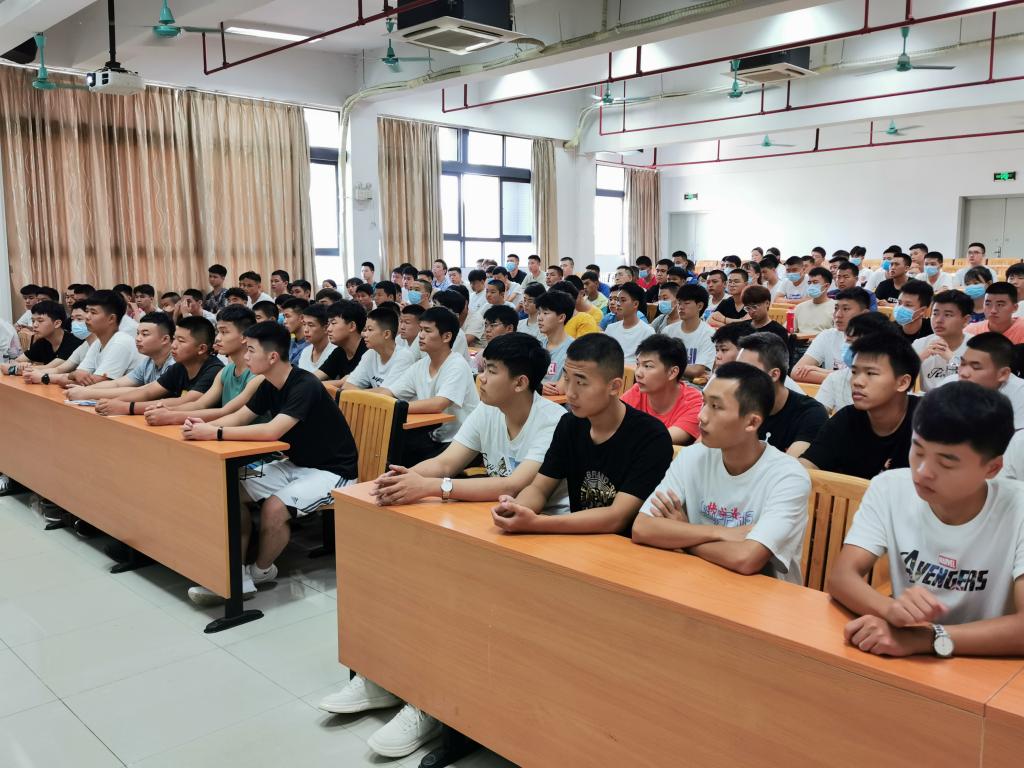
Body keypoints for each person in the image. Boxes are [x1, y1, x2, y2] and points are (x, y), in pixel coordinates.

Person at [826, 382, 1024, 658]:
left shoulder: (1017, 508)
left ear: (992, 468)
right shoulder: (890, 488)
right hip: (905, 656)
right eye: (917, 450)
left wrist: (927, 638)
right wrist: (890, 610)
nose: (922, 471)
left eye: (946, 463)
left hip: (990, 665)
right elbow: (841, 577)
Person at [183, 321, 359, 603]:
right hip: (295, 464)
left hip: (333, 471)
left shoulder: (305, 384)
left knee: (274, 509)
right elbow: (239, 417)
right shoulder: (269, 384)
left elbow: (271, 431)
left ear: (273, 356)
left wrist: (214, 433)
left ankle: (260, 571)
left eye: (251, 350)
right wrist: (201, 427)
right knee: (229, 489)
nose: (246, 356)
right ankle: (234, 573)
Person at [632, 361, 811, 583]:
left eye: (716, 407)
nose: (702, 416)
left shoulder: (788, 477)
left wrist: (682, 533)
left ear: (752, 422)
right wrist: (718, 532)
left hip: (762, 595)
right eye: (704, 402)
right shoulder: (692, 457)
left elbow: (746, 559)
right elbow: (643, 527)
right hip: (694, 581)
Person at [491, 333, 673, 537]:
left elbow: (617, 517)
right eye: (567, 379)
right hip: (575, 538)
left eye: (581, 383)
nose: (570, 393)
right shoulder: (570, 424)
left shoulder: (651, 437)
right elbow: (540, 488)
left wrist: (537, 523)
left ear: (614, 386)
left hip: (626, 546)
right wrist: (517, 508)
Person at [800, 332, 921, 479]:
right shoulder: (847, 418)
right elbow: (807, 466)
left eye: (871, 373)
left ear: (902, 383)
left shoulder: (929, 422)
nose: (857, 381)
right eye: (854, 372)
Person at [378, 307, 479, 466]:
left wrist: (397, 407)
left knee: (402, 460)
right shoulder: (421, 365)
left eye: (427, 330)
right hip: (434, 436)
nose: (421, 335)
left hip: (462, 441)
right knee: (389, 452)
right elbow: (390, 392)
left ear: (446, 337)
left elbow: (439, 403)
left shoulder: (457, 365)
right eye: (420, 330)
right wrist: (365, 399)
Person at [144, 306, 262, 425]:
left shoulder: (258, 375)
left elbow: (226, 412)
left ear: (244, 337)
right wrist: (168, 410)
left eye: (224, 332)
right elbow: (201, 404)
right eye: (218, 332)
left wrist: (171, 416)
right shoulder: (225, 371)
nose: (217, 338)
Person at [93, 316, 223, 415]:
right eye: (174, 339)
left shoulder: (214, 369)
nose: (173, 345)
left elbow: (186, 401)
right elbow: (148, 392)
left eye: (181, 341)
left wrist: (127, 407)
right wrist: (115, 402)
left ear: (201, 349)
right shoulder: (180, 366)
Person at [736, 333, 827, 456]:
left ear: (774, 375)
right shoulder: (734, 405)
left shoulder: (810, 414)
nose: (737, 378)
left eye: (747, 371)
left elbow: (792, 464)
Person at [64, 312, 176, 401]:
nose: (138, 338)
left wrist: (88, 393)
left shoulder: (174, 365)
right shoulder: (148, 362)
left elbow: (144, 391)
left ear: (165, 339)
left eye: (145, 334)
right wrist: (84, 389)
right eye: (138, 333)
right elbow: (117, 383)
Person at [42, 290, 140, 387]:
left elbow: (100, 384)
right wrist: (74, 374)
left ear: (111, 318)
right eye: (87, 311)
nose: (87, 317)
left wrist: (73, 377)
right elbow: (76, 375)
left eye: (93, 312)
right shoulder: (98, 343)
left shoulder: (120, 342)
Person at [621, 335, 702, 446]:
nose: (638, 373)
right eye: (638, 364)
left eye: (648, 366)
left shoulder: (694, 402)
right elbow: (611, 419)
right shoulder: (637, 391)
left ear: (672, 372)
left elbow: (662, 439)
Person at [815, 312, 898, 413]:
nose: (849, 347)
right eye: (848, 340)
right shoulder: (835, 379)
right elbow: (817, 415)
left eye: (856, 342)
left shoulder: (893, 382)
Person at [791, 287, 871, 383]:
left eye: (846, 309)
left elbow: (864, 379)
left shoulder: (876, 341)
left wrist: (820, 371)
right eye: (836, 308)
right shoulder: (827, 335)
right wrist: (841, 377)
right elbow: (796, 372)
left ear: (864, 314)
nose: (838, 315)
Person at [954, 332, 1024, 428]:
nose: (963, 373)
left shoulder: (1020, 392)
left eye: (976, 367)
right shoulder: (950, 382)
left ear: (1003, 374)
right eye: (963, 364)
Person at [339, 306, 415, 390]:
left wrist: (356, 392)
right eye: (365, 330)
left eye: (370, 330)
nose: (364, 334)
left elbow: (385, 392)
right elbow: (347, 386)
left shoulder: (404, 357)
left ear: (386, 334)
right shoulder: (370, 354)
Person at [913, 289, 973, 392]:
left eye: (948, 315)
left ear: (965, 320)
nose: (938, 320)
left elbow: (977, 387)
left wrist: (953, 361)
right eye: (935, 314)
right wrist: (919, 358)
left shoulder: (977, 348)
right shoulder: (920, 344)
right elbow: (898, 378)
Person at [3, 301, 82, 374]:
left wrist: (21, 368)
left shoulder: (73, 342)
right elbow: (16, 361)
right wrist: (21, 364)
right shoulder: (42, 340)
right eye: (33, 321)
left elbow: (51, 368)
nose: (34, 325)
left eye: (40, 321)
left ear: (57, 323)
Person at [665, 284, 716, 380]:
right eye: (679, 303)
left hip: (694, 385)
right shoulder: (668, 331)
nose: (681, 307)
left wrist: (668, 366)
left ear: (700, 306)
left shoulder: (709, 334)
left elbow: (696, 371)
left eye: (686, 303)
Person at [534, 289, 574, 395]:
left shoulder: (575, 350)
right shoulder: (536, 345)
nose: (539, 318)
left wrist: (535, 386)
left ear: (561, 317)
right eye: (539, 313)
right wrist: (539, 387)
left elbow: (559, 390)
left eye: (545, 313)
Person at [605, 283, 655, 365]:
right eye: (618, 300)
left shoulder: (647, 332)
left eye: (623, 300)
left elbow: (647, 363)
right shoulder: (610, 328)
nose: (618, 304)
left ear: (635, 304)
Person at [318, 301, 368, 382]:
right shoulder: (339, 351)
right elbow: (316, 376)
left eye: (333, 323)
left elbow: (346, 383)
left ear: (352, 326)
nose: (328, 329)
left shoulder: (368, 351)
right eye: (328, 324)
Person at [793, 267, 836, 333]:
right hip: (801, 339)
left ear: (826, 286)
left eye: (815, 282)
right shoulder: (799, 307)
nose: (811, 286)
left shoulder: (836, 308)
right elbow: (790, 330)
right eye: (809, 283)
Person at [296, 304, 336, 375]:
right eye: (304, 324)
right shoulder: (305, 352)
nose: (305, 330)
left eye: (311, 325)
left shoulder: (335, 352)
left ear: (326, 328)